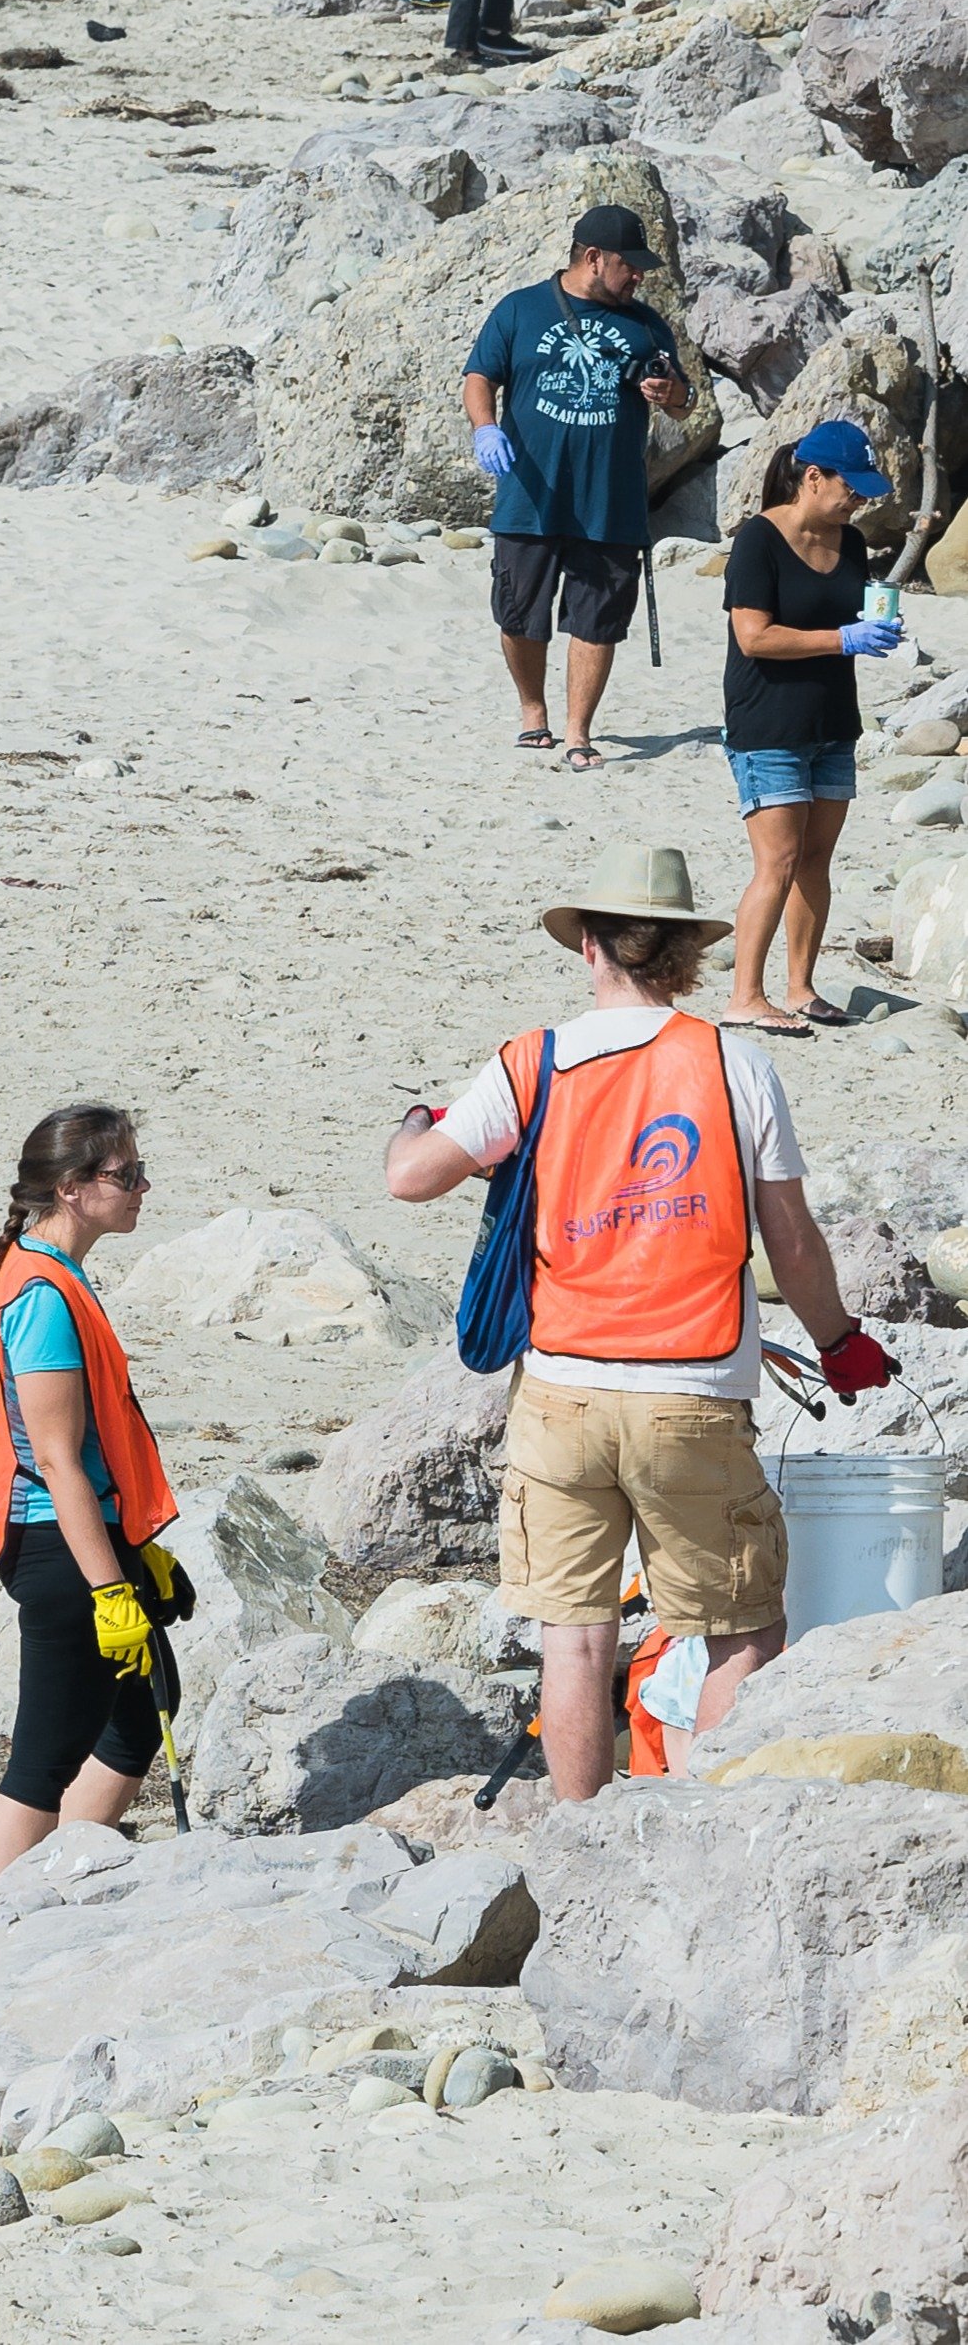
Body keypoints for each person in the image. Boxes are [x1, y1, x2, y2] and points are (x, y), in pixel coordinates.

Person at [382, 843, 895, 1800]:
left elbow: (410, 1178)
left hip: (562, 1389)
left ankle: (579, 1844)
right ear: (688, 956)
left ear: (588, 949)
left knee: (573, 1642)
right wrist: (839, 1342)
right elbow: (791, 1242)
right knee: (741, 1627)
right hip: (691, 1392)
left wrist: (418, 1118)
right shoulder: (732, 1064)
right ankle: (706, 1826)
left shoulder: (529, 1060)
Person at [0, 1103, 191, 1882]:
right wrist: (108, 1589)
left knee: (135, 1716)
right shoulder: (43, 1298)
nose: (142, 1187)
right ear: (71, 1189)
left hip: (81, 1537)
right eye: (125, 1176)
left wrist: (139, 1549)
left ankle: (56, 1876)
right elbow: (55, 1461)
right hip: (57, 1547)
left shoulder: (51, 1274)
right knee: (44, 1754)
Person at [466, 201, 690, 771]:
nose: (639, 276)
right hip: (531, 496)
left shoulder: (646, 324)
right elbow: (479, 376)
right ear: (593, 258)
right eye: (629, 265)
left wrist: (671, 397)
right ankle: (533, 713)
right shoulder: (521, 310)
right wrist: (486, 428)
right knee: (519, 615)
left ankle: (577, 732)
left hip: (611, 502)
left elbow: (684, 400)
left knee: (598, 620)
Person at [722, 419, 904, 1032]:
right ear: (812, 477)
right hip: (767, 723)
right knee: (778, 859)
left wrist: (873, 629)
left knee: (816, 860)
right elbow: (754, 637)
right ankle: (745, 997)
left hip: (833, 721)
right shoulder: (758, 540)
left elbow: (838, 617)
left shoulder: (849, 542)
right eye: (851, 486)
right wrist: (841, 637)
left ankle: (799, 987)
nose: (860, 498)